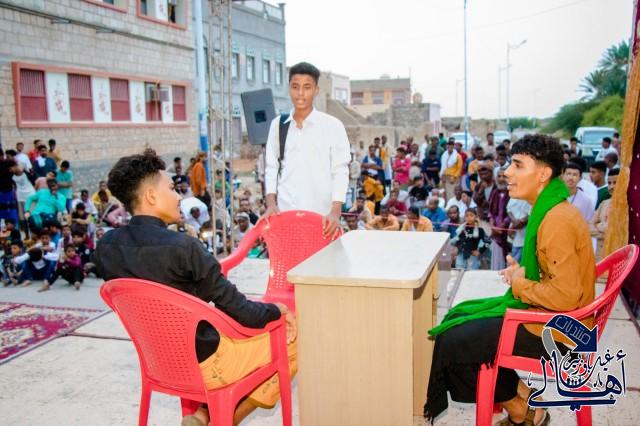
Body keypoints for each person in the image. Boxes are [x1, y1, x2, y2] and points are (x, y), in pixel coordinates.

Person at [93, 149, 297, 426]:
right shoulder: (184, 247)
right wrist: (278, 309)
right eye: (171, 189)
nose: (179, 197)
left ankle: (203, 415)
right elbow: (244, 313)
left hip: (158, 361)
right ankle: (216, 420)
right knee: (298, 337)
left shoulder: (106, 247)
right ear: (151, 196)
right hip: (208, 362)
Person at [425, 134, 595, 426]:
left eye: (518, 165)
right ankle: (524, 402)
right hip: (555, 318)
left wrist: (519, 283)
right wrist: (524, 272)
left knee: (455, 341)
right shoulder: (551, 209)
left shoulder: (556, 220)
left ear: (543, 174)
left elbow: (565, 296)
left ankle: (520, 408)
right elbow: (556, 274)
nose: (506, 172)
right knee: (460, 322)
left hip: (561, 332)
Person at [264, 62, 350, 239]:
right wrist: (271, 204)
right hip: (286, 216)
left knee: (323, 258)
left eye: (307, 87)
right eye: (295, 87)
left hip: (322, 219)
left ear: (316, 90)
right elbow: (271, 167)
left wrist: (335, 211)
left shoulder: (333, 126)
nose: (300, 93)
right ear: (289, 88)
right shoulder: (278, 125)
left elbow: (340, 171)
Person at [589, 168, 618, 260]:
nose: (611, 187)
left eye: (615, 183)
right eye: (609, 183)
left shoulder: (628, 206)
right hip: (600, 256)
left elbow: (617, 232)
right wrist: (604, 231)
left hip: (617, 255)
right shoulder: (604, 203)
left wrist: (599, 226)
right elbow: (589, 227)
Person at [488, 168, 511, 270]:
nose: (501, 179)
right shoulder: (495, 192)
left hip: (508, 231)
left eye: (504, 176)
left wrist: (501, 227)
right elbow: (490, 213)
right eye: (499, 176)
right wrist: (493, 226)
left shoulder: (511, 193)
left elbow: (511, 214)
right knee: (497, 259)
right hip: (496, 232)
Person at [0, 157, 18, 224]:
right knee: (9, 214)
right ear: (10, 168)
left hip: (7, 197)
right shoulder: (6, 177)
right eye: (15, 166)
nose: (16, 168)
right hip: (6, 197)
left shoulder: (9, 175)